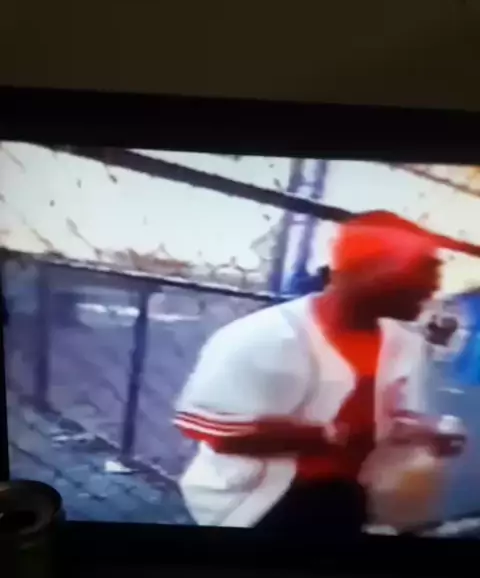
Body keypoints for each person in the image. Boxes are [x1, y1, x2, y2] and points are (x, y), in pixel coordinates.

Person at [174, 211, 464, 534]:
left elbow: (384, 416)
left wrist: (426, 431)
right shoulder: (264, 336)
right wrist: (330, 435)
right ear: (367, 270)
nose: (434, 285)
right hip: (260, 503)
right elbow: (209, 427)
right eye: (422, 270)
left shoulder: (402, 341)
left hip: (351, 493)